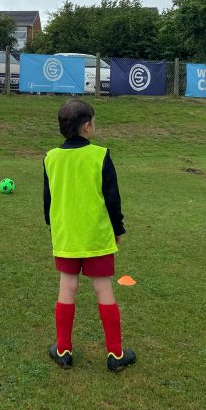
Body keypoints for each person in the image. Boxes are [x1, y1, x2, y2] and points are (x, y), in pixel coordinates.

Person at [43, 98, 136, 372]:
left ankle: (63, 350)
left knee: (67, 287)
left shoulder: (51, 157)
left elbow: (47, 200)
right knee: (103, 288)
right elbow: (112, 198)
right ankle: (116, 355)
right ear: (87, 126)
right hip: (96, 236)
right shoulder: (100, 155)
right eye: (94, 122)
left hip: (67, 237)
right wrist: (117, 229)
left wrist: (54, 226)